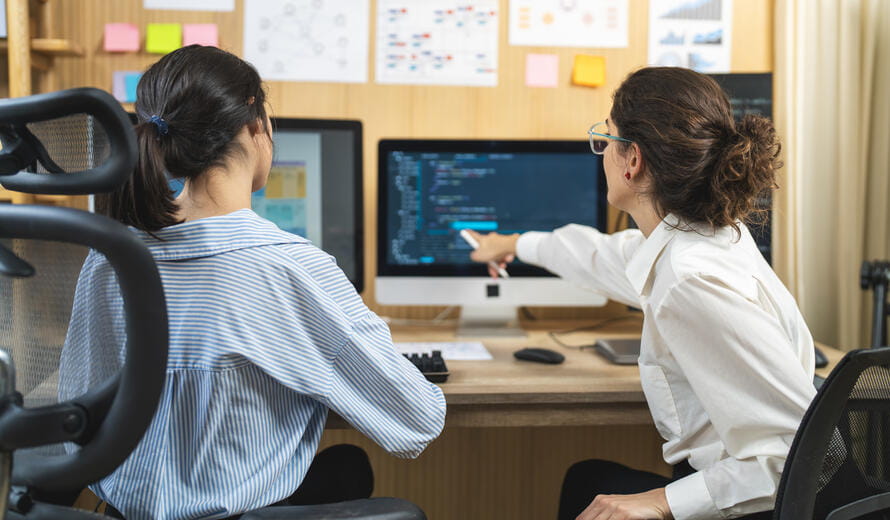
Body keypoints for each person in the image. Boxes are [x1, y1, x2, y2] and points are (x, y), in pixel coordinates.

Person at [59, 45, 446, 520]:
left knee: (345, 465)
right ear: (255, 126)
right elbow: (417, 419)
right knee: (349, 465)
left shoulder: (109, 258)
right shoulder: (291, 268)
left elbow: (76, 418)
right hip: (234, 510)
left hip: (117, 509)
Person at [467, 67, 816, 520]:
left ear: (632, 161)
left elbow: (796, 458)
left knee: (590, 487)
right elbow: (603, 255)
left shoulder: (692, 282)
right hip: (732, 484)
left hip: (750, 502)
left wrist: (661, 503)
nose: (602, 153)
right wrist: (512, 244)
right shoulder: (699, 238)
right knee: (587, 478)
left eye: (606, 139)